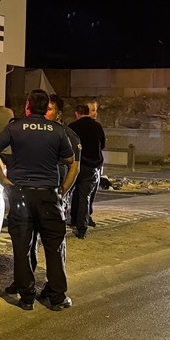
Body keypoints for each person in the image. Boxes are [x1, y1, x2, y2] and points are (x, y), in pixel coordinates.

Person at [0, 89, 78, 311]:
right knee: (54, 247)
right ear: (47, 107)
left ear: (28, 106)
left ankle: (26, 296)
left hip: (21, 195)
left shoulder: (15, 127)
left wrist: (5, 181)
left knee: (22, 245)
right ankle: (56, 297)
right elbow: (72, 163)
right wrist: (63, 190)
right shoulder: (57, 131)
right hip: (48, 196)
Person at [68, 102, 105, 238]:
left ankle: (69, 218)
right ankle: (82, 227)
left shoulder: (72, 127)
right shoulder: (97, 126)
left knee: (67, 193)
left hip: (76, 165)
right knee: (85, 196)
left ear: (77, 114)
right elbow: (103, 145)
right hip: (92, 166)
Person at [49, 94, 83, 226]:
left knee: (55, 229)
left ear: (59, 114)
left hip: (56, 190)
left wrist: (62, 192)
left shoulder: (67, 134)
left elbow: (74, 167)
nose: (45, 113)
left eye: (49, 109)